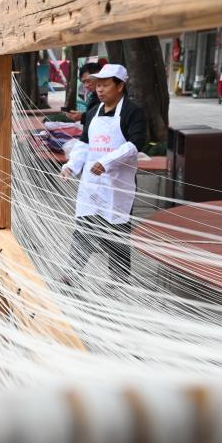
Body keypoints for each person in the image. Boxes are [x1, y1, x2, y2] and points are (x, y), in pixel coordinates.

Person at [60, 64, 146, 284]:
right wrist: (71, 166)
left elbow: (135, 144)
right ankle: (73, 271)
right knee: (84, 225)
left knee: (117, 230)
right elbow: (84, 144)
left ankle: (119, 278)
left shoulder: (132, 112)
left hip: (117, 184)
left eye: (105, 85)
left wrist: (106, 162)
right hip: (91, 183)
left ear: (120, 86)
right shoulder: (92, 113)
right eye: (97, 85)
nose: (99, 89)